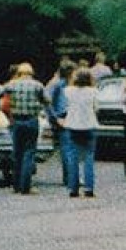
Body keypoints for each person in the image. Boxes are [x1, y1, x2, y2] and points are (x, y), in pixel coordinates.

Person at [0, 62, 46, 194]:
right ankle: (26, 186)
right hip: (31, 120)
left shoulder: (12, 85)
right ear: (31, 73)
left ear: (19, 73)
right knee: (29, 152)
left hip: (17, 121)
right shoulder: (38, 85)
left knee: (17, 153)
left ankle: (16, 186)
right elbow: (46, 100)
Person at [62, 66, 98, 198]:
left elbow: (65, 107)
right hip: (89, 124)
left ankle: (73, 188)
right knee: (89, 157)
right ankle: (89, 188)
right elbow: (97, 108)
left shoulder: (68, 91)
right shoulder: (93, 91)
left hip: (72, 124)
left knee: (73, 157)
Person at [44, 58, 76, 187]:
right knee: (67, 148)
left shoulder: (69, 84)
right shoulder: (57, 84)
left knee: (70, 148)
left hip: (71, 116)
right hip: (63, 117)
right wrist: (55, 117)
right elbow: (47, 100)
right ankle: (70, 178)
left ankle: (69, 176)